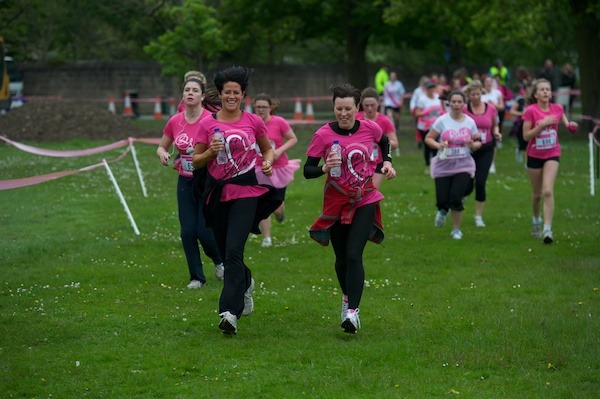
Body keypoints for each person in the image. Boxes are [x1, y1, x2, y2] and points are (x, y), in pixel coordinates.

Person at [192, 66, 281, 334]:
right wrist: (210, 152)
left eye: (236, 93)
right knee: (225, 250)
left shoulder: (254, 121)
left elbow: (268, 150)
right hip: (217, 194)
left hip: (246, 192)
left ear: (243, 95)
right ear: (220, 94)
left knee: (233, 250)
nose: (231, 96)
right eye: (227, 92)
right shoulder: (207, 123)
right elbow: (195, 161)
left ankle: (229, 312)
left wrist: (267, 164)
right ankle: (246, 280)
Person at [304, 83, 396, 334]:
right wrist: (324, 168)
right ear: (333, 108)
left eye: (348, 109)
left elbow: (385, 142)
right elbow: (307, 170)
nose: (343, 114)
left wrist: (387, 162)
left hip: (365, 198)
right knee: (342, 257)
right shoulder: (322, 134)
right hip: (336, 201)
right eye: (338, 109)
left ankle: (353, 313)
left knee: (355, 254)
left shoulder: (370, 127)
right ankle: (346, 298)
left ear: (357, 108)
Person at [156, 76, 224, 289]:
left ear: (202, 96)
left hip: (206, 181)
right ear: (183, 95)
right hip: (185, 182)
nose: (190, 93)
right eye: (187, 90)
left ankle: (220, 261)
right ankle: (196, 277)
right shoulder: (175, 121)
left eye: (195, 90)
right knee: (187, 231)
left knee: (204, 231)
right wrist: (163, 154)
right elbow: (162, 146)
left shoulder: (211, 119)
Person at [522, 78, 578, 244]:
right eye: (542, 89)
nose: (546, 92)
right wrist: (541, 125)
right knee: (537, 194)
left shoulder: (558, 108)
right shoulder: (530, 111)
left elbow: (567, 123)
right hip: (534, 155)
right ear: (536, 94)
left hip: (552, 153)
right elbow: (526, 136)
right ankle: (536, 219)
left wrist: (571, 126)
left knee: (548, 191)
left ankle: (547, 229)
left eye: (548, 89)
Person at [424, 90, 482, 240]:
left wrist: (473, 145)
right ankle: (442, 211)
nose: (456, 104)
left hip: (463, 164)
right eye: (454, 102)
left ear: (464, 103)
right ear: (449, 103)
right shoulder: (442, 120)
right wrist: (438, 145)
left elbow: (478, 141)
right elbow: (428, 138)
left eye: (459, 102)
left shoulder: (470, 122)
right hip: (444, 165)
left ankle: (456, 230)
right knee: (442, 200)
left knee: (456, 197)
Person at [253, 93, 300, 247]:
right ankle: (267, 238)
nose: (261, 110)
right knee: (262, 203)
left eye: (264, 107)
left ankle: (280, 214)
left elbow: (293, 138)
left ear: (270, 107)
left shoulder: (278, 122)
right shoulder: (251, 123)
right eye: (258, 107)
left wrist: (279, 151)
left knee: (277, 207)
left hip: (278, 168)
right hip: (258, 168)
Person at [463, 80, 502, 227]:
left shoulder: (491, 108)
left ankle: (478, 216)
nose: (476, 97)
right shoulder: (464, 109)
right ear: (468, 95)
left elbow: (495, 124)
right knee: (466, 184)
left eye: (478, 94)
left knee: (480, 182)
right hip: (468, 150)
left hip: (486, 148)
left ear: (482, 93)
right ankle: (461, 197)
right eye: (473, 94)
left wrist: (497, 133)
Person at [356, 87, 398, 187]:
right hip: (359, 161)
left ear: (378, 104)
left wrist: (378, 142)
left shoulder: (384, 121)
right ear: (361, 104)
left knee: (371, 191)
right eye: (366, 105)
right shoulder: (356, 118)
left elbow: (395, 143)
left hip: (378, 162)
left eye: (372, 105)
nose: (369, 108)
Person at [414, 79, 442, 173]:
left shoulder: (438, 97)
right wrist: (426, 112)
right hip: (424, 126)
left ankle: (434, 165)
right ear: (426, 89)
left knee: (435, 145)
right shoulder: (422, 99)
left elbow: (442, 110)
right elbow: (417, 113)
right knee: (427, 146)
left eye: (432, 88)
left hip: (436, 126)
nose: (431, 90)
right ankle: (427, 163)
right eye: (429, 88)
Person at [481, 75, 505, 173]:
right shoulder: (481, 94)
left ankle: (492, 163)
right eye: (487, 81)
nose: (489, 83)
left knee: (493, 142)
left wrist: (494, 105)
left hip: (494, 121)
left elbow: (502, 107)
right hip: (482, 121)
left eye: (490, 81)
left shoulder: (497, 93)